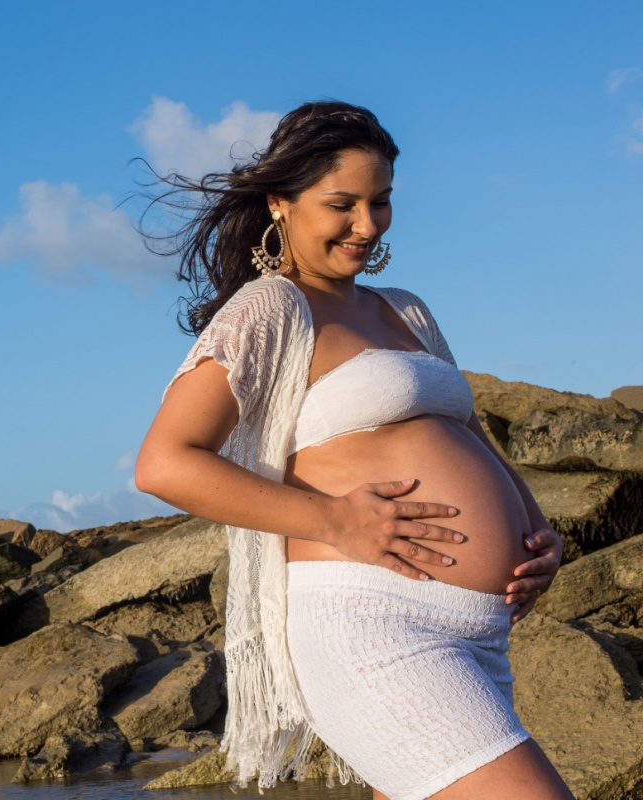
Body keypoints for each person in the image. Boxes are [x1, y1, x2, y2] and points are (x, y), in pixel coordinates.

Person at [134, 101, 572, 800]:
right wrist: (337, 520)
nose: (367, 226)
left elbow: (466, 434)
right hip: (374, 627)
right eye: (343, 204)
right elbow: (165, 462)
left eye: (381, 202)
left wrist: (535, 529)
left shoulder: (406, 309)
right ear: (281, 203)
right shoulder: (270, 309)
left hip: (481, 638)